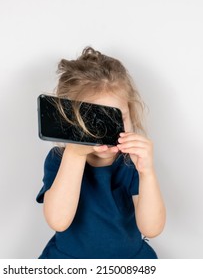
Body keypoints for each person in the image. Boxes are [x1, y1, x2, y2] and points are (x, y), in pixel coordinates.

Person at [36, 46, 166, 259]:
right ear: (72, 122)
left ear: (131, 115)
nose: (107, 134)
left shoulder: (130, 162)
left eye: (117, 119)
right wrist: (75, 154)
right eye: (95, 123)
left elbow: (152, 229)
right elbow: (58, 221)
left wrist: (147, 173)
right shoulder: (59, 160)